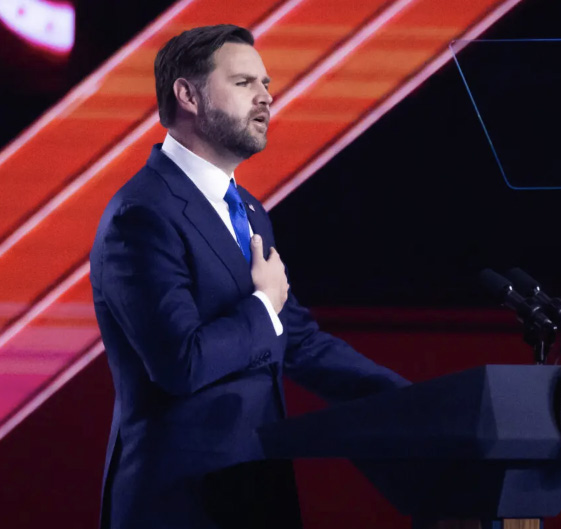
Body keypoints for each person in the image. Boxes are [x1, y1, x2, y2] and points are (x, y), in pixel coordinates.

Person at [89, 24, 409, 529]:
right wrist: (262, 305)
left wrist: (410, 398)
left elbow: (296, 338)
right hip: (180, 503)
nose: (266, 98)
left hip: (258, 493)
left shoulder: (250, 212)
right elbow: (181, 363)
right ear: (187, 95)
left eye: (266, 84)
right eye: (244, 84)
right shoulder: (141, 214)